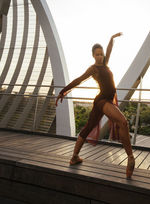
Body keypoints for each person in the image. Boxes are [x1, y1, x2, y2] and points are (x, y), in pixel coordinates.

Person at [56, 33, 135, 179]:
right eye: (97, 54)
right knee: (123, 122)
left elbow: (110, 49)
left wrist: (111, 38)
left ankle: (74, 157)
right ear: (93, 55)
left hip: (106, 101)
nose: (100, 56)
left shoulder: (105, 64)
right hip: (102, 101)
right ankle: (130, 158)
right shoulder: (93, 69)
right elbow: (78, 80)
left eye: (101, 54)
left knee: (88, 128)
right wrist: (63, 91)